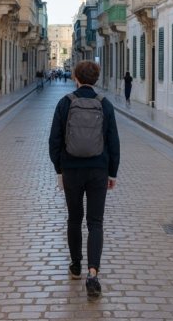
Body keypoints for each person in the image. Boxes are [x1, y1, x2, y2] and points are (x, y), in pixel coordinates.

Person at [48, 60, 120, 298]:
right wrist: (112, 172)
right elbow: (113, 142)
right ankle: (93, 274)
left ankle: (76, 266)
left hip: (71, 170)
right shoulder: (105, 104)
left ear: (75, 77)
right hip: (98, 170)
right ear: (96, 79)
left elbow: (54, 140)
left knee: (74, 218)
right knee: (95, 222)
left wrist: (60, 168)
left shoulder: (65, 103)